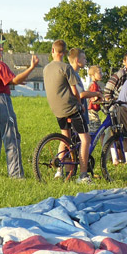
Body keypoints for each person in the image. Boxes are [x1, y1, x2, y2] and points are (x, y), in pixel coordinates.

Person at [0, 34, 38, 178]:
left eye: (1, 46)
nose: (1, 49)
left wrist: (13, 81)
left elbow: (7, 81)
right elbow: (15, 80)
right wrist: (31, 67)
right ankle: (16, 175)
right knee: (12, 138)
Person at [43, 40, 90, 182]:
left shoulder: (46, 68)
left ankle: (59, 171)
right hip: (70, 107)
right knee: (85, 139)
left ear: (53, 51)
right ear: (64, 53)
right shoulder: (66, 68)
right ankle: (83, 175)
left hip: (56, 109)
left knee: (65, 137)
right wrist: (80, 104)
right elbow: (75, 91)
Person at [103, 51, 127, 158]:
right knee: (116, 132)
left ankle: (120, 157)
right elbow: (107, 91)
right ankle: (114, 157)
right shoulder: (120, 75)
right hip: (117, 107)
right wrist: (112, 105)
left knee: (125, 132)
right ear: (124, 62)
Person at [87, 65, 103, 132]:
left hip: (94, 111)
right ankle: (90, 142)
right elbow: (93, 98)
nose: (101, 74)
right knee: (97, 130)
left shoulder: (97, 85)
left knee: (100, 131)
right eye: (99, 73)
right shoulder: (94, 85)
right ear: (93, 75)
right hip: (92, 111)